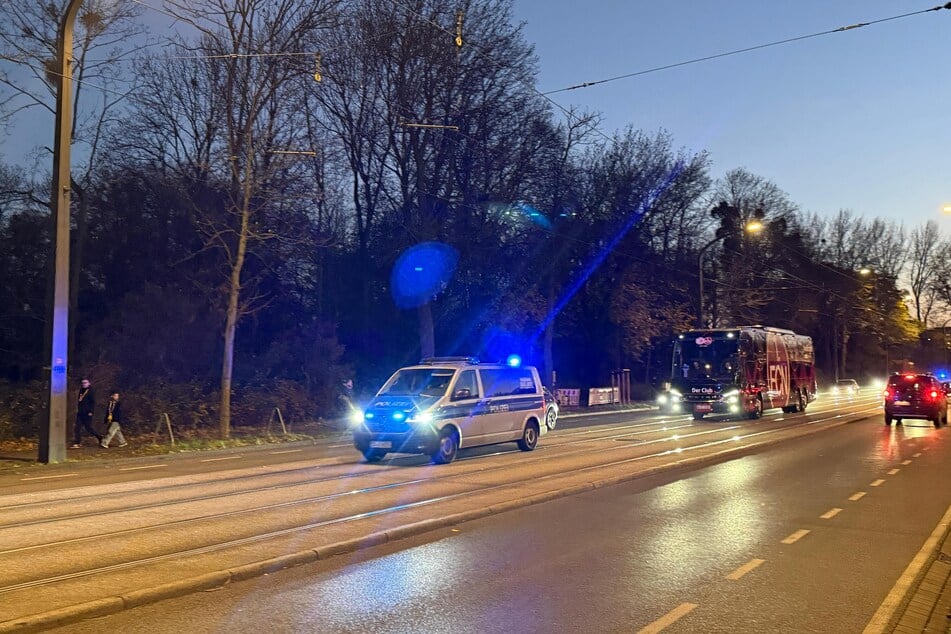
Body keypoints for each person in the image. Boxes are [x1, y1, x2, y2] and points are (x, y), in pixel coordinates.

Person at [71, 378, 102, 448]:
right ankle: (77, 442)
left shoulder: (91, 391)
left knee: (89, 428)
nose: (84, 384)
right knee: (77, 428)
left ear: (89, 383)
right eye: (82, 383)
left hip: (87, 413)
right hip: (80, 413)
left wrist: (91, 411)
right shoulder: (81, 390)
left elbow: (93, 402)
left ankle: (99, 437)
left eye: (85, 383)